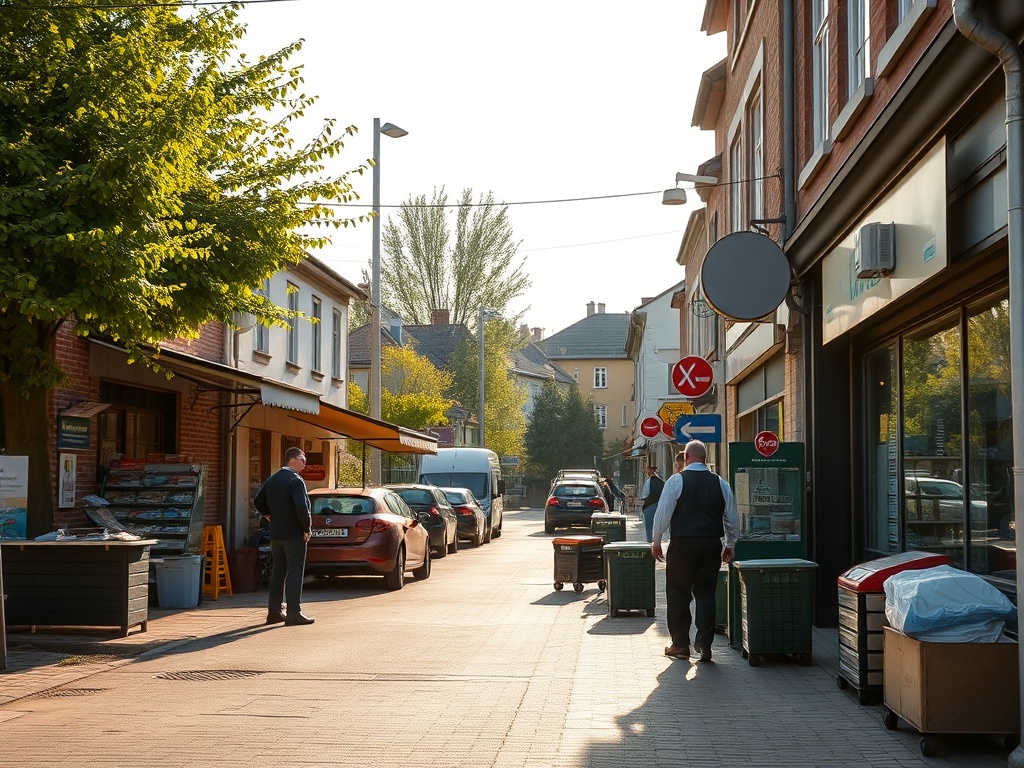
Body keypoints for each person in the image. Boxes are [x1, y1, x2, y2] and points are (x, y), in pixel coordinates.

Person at [651, 440, 739, 662]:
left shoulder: (676, 481)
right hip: (710, 544)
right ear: (705, 457)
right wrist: (730, 545)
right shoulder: (721, 483)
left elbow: (663, 514)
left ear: (686, 458)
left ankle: (680, 644)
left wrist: (656, 540)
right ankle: (704, 644)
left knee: (678, 592)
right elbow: (731, 517)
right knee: (706, 593)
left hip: (682, 544)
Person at [254, 446, 315, 626]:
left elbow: (258, 501)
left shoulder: (274, 479)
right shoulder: (295, 481)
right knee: (295, 572)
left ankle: (273, 612)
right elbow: (301, 507)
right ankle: (294, 613)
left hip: (276, 534)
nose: (305, 462)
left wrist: (267, 513)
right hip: (294, 534)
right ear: (293, 459)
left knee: (277, 573)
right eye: (303, 458)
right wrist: (307, 528)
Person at [638, 464, 665, 543]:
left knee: (649, 526)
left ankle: (650, 541)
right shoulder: (661, 482)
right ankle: (657, 541)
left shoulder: (649, 481)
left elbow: (645, 495)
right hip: (659, 505)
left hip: (650, 506)